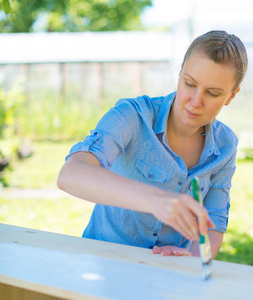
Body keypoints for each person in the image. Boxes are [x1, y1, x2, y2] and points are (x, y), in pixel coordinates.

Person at [57, 30, 248, 258]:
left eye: (213, 93)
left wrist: (194, 262)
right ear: (179, 75)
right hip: (103, 264)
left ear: (231, 96)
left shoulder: (225, 146)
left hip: (168, 275)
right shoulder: (132, 116)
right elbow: (71, 174)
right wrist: (156, 200)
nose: (196, 101)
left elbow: (213, 223)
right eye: (189, 84)